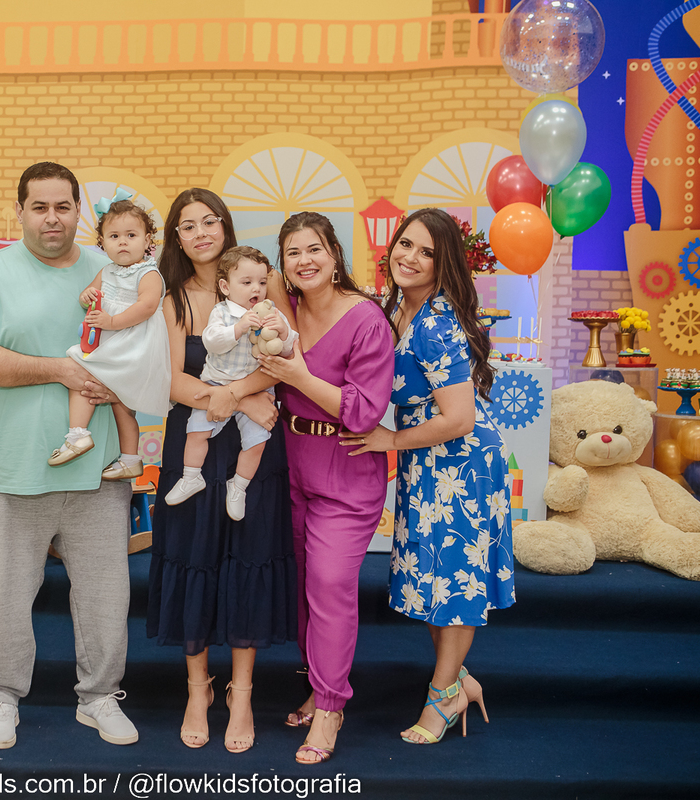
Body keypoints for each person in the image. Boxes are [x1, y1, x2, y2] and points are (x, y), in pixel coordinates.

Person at [0, 162, 138, 750]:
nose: (52, 218)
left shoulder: (112, 270)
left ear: (80, 210)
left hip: (97, 473)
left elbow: (141, 345)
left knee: (106, 598)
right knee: (4, 599)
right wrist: (60, 370)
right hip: (8, 472)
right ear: (20, 212)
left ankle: (99, 696)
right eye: (40, 207)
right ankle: (2, 697)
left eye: (63, 206)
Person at [344, 207, 512, 745]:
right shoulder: (398, 309)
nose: (411, 258)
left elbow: (460, 417)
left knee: (455, 583)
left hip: (462, 462)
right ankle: (459, 681)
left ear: (445, 266)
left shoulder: (437, 321)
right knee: (437, 580)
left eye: (427, 253)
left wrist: (390, 441)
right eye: (405, 244)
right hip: (430, 459)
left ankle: (441, 697)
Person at [148, 188, 298, 754]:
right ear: (177, 237)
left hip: (253, 444)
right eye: (188, 225)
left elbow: (285, 362)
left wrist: (242, 395)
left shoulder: (263, 286)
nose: (201, 233)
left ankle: (242, 693)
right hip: (194, 439)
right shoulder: (171, 297)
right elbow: (171, 380)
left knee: (247, 557)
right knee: (195, 557)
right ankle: (198, 689)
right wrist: (236, 399)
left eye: (210, 221)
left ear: (226, 225)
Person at [256, 212, 395, 764]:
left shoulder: (365, 319)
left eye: (314, 248)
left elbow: (363, 412)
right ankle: (318, 686)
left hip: (347, 466)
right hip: (290, 464)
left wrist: (297, 376)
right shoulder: (284, 309)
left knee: (331, 583)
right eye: (293, 252)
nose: (305, 260)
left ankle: (333, 706)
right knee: (301, 587)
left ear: (335, 254)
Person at [165, 246, 296, 520]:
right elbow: (212, 341)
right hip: (216, 383)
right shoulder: (222, 312)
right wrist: (238, 328)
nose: (256, 289)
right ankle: (191, 476)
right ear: (226, 287)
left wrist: (284, 333)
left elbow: (288, 353)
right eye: (247, 283)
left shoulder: (272, 314)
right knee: (196, 432)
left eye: (262, 282)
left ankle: (238, 486)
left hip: (258, 390)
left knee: (257, 443)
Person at [48, 197, 170, 480]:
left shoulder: (148, 273)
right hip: (114, 343)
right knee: (120, 405)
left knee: (82, 370)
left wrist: (112, 322)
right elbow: (88, 296)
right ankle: (129, 458)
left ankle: (79, 434)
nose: (123, 242)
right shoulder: (107, 271)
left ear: (147, 240)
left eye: (131, 235)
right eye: (114, 236)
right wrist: (86, 295)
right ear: (102, 243)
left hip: (134, 346)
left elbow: (147, 306)